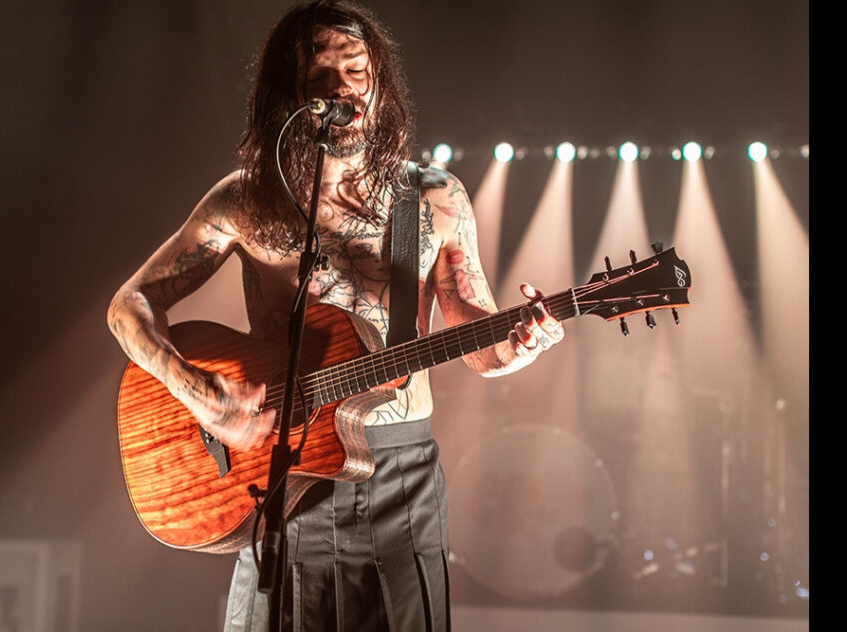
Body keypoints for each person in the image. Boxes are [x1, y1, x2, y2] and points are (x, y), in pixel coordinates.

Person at [107, 1, 564, 629]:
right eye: (322, 77)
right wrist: (199, 396)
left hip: (400, 480)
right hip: (280, 475)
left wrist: (520, 344)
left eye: (358, 72)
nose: (344, 91)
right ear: (289, 94)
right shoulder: (247, 199)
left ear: (381, 85)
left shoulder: (433, 198)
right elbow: (128, 308)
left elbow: (480, 342)